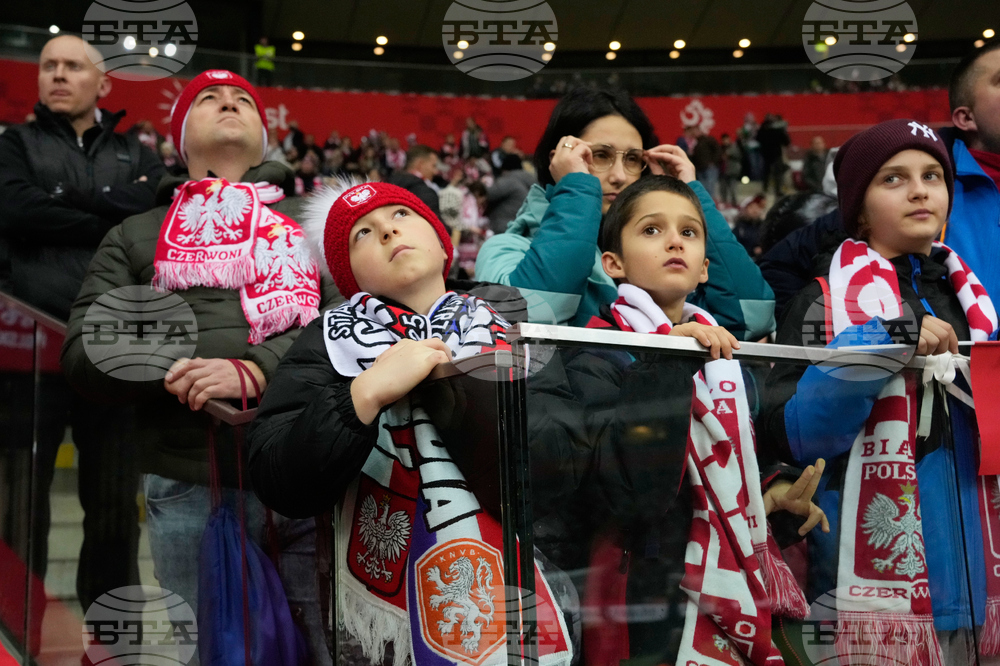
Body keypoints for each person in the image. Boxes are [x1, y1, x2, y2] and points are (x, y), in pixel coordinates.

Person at [61, 69, 340, 666]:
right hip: (188, 475)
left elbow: (355, 320)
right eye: (209, 99)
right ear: (181, 138)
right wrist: (176, 357)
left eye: (244, 99)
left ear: (265, 139)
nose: (229, 103)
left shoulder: (317, 223)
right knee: (216, 653)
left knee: (326, 650)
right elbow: (82, 353)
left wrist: (257, 367)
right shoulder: (136, 234)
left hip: (308, 469)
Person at [246, 180, 574, 666]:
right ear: (349, 274)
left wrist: (461, 396)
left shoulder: (508, 318)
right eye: (362, 233)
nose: (386, 230)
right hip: (379, 629)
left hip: (529, 573)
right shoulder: (328, 341)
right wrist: (365, 393)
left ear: (442, 239)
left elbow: (564, 463)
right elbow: (277, 475)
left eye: (401, 214)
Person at [543, 175, 826, 664]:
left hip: (723, 594)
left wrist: (769, 496)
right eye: (652, 230)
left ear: (703, 270)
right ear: (613, 263)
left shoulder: (726, 361)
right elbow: (631, 496)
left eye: (689, 232)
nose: (675, 240)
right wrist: (669, 361)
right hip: (643, 606)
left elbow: (727, 482)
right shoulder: (593, 353)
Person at [760, 119, 999, 665]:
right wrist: (886, 340)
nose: (919, 189)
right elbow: (798, 435)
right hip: (872, 600)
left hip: (984, 590)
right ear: (859, 209)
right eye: (893, 178)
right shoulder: (822, 300)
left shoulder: (977, 305)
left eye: (933, 175)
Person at [0, 33, 165, 632]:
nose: (58, 75)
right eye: (49, 66)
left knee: (117, 516)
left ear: (104, 83)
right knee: (16, 513)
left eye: (73, 66)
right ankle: (13, 637)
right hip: (26, 357)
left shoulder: (139, 153)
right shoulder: (13, 145)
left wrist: (62, 204)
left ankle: (112, 641)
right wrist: (106, 210)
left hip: (116, 354)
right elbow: (15, 210)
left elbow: (152, 222)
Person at [475, 87, 774, 339]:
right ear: (561, 160)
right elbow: (535, 314)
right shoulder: (505, 250)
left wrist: (690, 194)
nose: (619, 175)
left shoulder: (655, 260)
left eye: (632, 159)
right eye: (600, 156)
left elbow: (751, 314)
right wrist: (577, 186)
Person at [759, 38, 1000, 320]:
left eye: (931, 176)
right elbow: (778, 269)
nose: (919, 190)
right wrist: (851, 334)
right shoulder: (912, 187)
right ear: (965, 117)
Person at [485, 153, 534, 235]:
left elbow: (487, 194)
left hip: (506, 225)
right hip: (527, 225)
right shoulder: (532, 179)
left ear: (505, 168)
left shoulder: (508, 180)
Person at [387, 144, 441, 218]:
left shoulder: (388, 185)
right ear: (420, 164)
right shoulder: (425, 193)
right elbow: (436, 226)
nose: (435, 172)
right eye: (433, 166)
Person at [757, 113, 790, 196]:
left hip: (766, 154)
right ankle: (778, 190)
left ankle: (765, 189)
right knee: (777, 173)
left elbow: (758, 138)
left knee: (766, 173)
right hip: (776, 154)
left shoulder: (762, 129)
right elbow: (786, 141)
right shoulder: (778, 129)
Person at [690, 126, 721, 201]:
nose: (694, 134)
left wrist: (713, 162)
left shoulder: (708, 140)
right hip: (700, 168)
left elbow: (718, 150)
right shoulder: (696, 143)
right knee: (703, 188)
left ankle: (710, 204)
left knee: (710, 188)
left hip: (709, 168)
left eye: (695, 132)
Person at [733, 193, 767, 258]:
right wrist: (752, 251)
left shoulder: (764, 226)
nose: (755, 210)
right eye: (751, 207)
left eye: (758, 207)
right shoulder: (739, 228)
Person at [719, 132, 743, 206]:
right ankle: (724, 203)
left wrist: (729, 154)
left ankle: (734, 203)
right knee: (723, 189)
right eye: (724, 140)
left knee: (733, 189)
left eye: (726, 139)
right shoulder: (721, 148)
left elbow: (739, 156)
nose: (725, 141)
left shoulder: (734, 147)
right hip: (723, 171)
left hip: (732, 171)